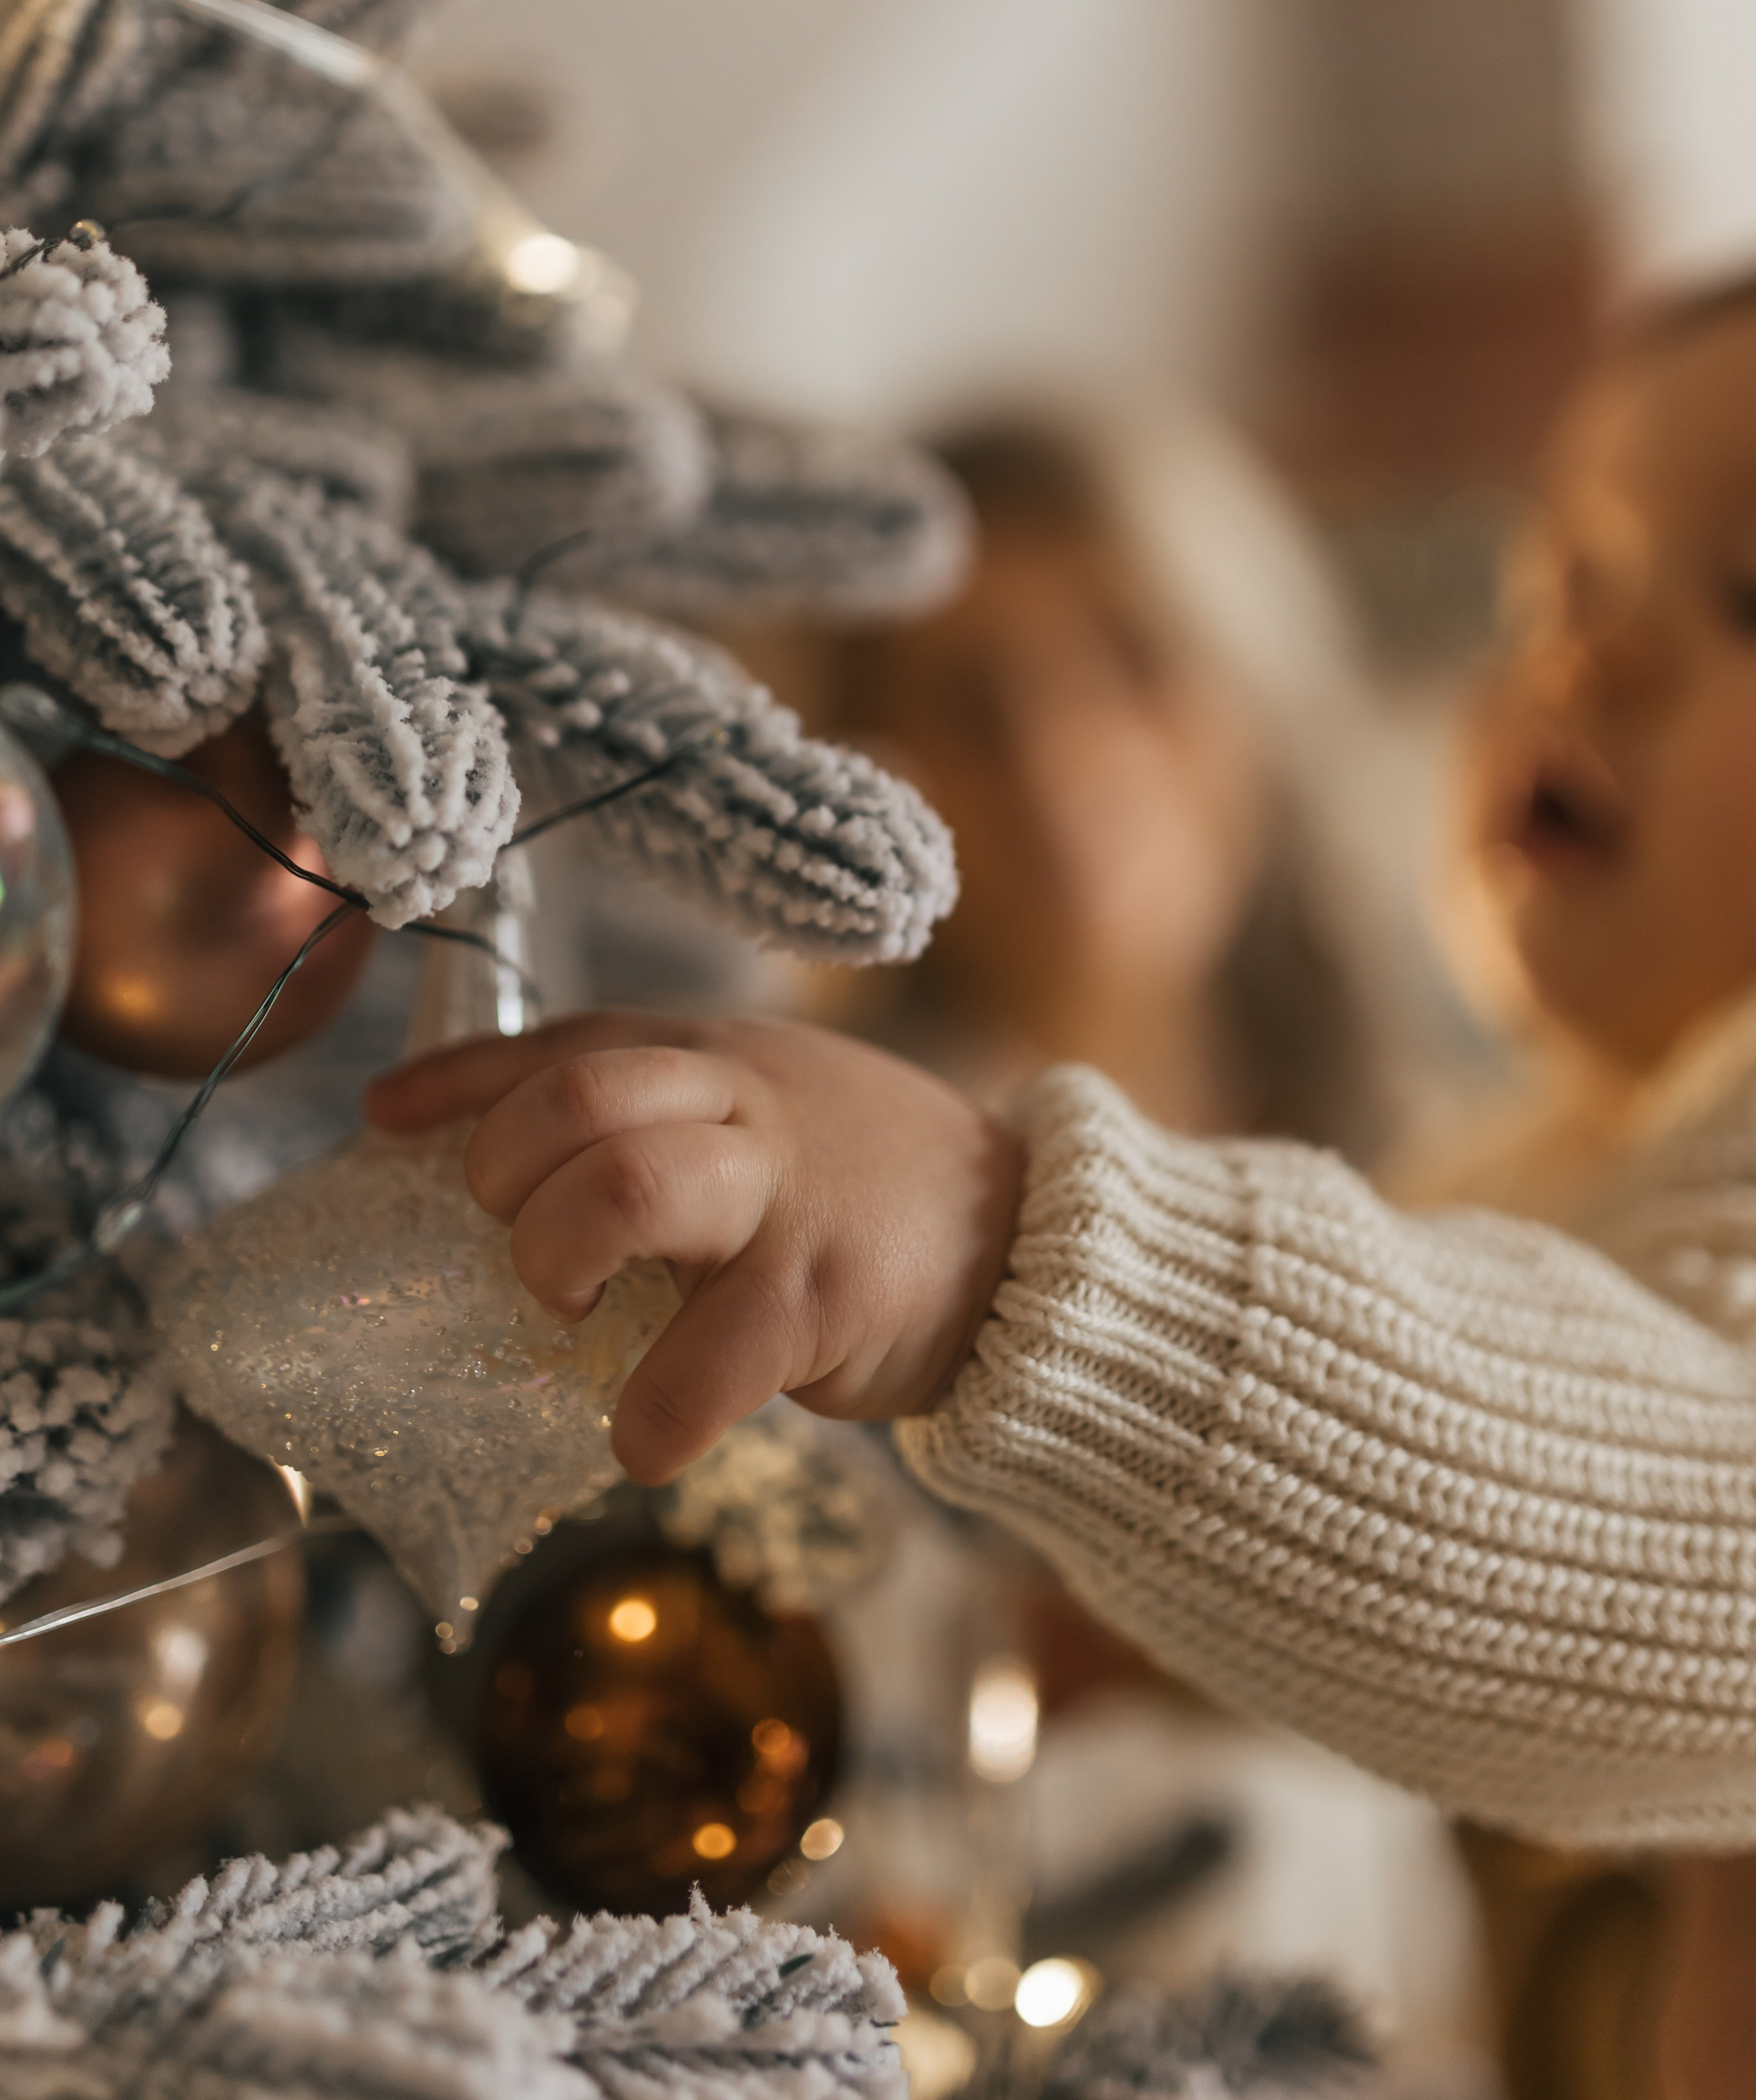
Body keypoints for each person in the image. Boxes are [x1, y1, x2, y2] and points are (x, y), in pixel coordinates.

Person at [368, 285, 1756, 2090]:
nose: (1591, 659)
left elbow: (1676, 1521)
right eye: (1560, 586)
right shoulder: (1536, 1163)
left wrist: (997, 1246)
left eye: (1745, 594)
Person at [812, 413, 1389, 1157]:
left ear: (1259, 686)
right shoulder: (838, 1171)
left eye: (1136, 660)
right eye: (969, 705)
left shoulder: (1441, 1156)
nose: (1056, 764)